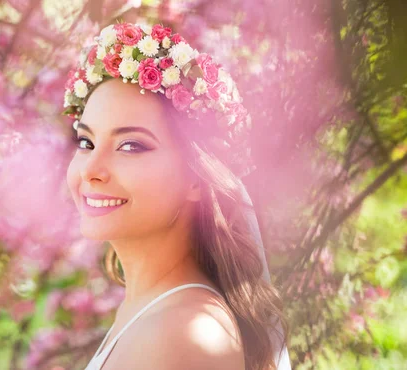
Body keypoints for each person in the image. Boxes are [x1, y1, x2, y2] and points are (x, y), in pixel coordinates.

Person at [64, 22, 291, 370]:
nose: (91, 170)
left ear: (196, 178)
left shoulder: (186, 333)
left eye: (130, 146)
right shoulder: (150, 312)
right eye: (86, 142)